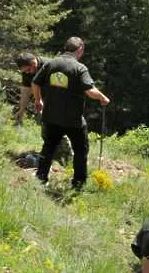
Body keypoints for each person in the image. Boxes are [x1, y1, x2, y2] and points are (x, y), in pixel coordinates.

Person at [32, 37, 110, 189]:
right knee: (80, 150)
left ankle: (41, 178)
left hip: (51, 116)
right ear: (79, 49)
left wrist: (38, 100)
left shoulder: (50, 63)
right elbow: (89, 90)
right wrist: (103, 97)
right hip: (73, 120)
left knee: (48, 147)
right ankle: (78, 184)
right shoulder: (79, 68)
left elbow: (35, 82)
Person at [15, 52, 47, 124]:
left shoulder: (48, 65)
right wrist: (21, 110)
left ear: (33, 62)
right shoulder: (26, 72)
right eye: (24, 71)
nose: (27, 73)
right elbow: (25, 91)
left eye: (28, 70)